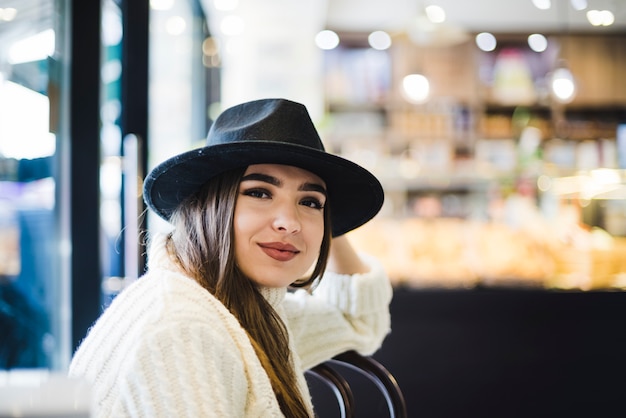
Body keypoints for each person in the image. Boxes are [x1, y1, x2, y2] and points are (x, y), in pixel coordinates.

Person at [68, 98, 392, 417]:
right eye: (259, 193)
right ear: (205, 207)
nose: (289, 223)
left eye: (310, 202)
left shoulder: (249, 312)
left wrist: (324, 218)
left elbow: (358, 319)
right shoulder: (182, 329)